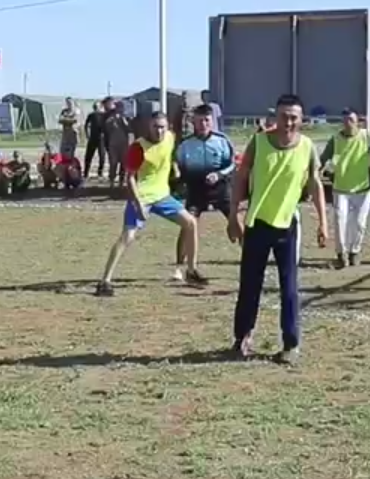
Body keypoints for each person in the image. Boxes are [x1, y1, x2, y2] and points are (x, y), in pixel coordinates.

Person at [228, 94, 330, 363]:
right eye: (284, 116)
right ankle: (242, 337)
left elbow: (315, 184)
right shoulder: (259, 142)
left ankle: (290, 344)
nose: (288, 123)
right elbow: (241, 178)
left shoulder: (307, 146)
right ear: (276, 117)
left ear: (301, 119)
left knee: (289, 287)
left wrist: (323, 222)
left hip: (287, 227)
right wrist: (233, 216)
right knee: (249, 285)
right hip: (257, 224)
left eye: (294, 117)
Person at [96, 110, 202, 295]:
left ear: (167, 127)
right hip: (142, 196)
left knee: (191, 223)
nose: (159, 131)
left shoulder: (170, 137)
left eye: (162, 127)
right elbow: (130, 179)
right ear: (149, 127)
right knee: (128, 237)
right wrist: (138, 205)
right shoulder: (138, 148)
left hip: (162, 196)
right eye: (155, 127)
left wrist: (174, 167)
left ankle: (191, 271)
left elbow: (169, 154)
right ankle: (105, 281)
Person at [318, 110, 370, 269]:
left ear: (357, 121)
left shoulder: (366, 136)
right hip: (341, 188)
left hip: (363, 188)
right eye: (345, 120)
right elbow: (323, 159)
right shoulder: (335, 139)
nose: (348, 123)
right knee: (340, 221)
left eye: (351, 119)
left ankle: (355, 251)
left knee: (360, 222)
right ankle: (341, 254)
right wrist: (313, 172)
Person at [174, 104, 235, 270]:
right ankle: (179, 266)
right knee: (187, 224)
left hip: (220, 189)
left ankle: (251, 258)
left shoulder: (222, 141)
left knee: (236, 221)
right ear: (193, 121)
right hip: (196, 190)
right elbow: (178, 166)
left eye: (206, 120)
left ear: (212, 122)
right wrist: (179, 178)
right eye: (199, 121)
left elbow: (232, 165)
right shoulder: (185, 144)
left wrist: (220, 175)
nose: (203, 124)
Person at [102, 100, 132, 186]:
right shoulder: (111, 117)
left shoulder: (126, 117)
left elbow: (129, 129)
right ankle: (111, 180)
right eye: (118, 107)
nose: (120, 109)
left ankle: (121, 181)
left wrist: (123, 120)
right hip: (113, 144)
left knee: (123, 163)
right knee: (113, 163)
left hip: (124, 144)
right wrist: (112, 122)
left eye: (121, 107)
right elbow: (106, 128)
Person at [58, 98, 81, 167]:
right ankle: (64, 165)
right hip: (65, 134)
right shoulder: (64, 111)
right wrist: (69, 120)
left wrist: (66, 120)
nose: (69, 104)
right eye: (67, 102)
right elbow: (60, 120)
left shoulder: (76, 111)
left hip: (73, 134)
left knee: (71, 152)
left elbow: (75, 120)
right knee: (62, 151)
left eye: (70, 102)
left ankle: (72, 167)